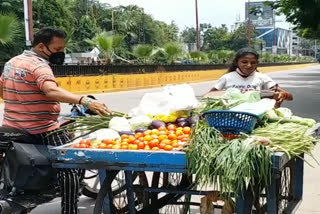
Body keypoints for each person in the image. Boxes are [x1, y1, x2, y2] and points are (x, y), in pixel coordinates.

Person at [0, 27, 112, 214]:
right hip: (42, 129)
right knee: (70, 166)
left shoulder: (12, 62)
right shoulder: (40, 66)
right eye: (58, 49)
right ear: (42, 46)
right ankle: (69, 210)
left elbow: (2, 88)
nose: (61, 53)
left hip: (11, 127)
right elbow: (50, 90)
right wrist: (85, 100)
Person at [206, 47, 293, 107]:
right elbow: (208, 96)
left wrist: (282, 95)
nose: (249, 65)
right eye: (244, 62)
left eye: (253, 62)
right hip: (231, 115)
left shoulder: (262, 77)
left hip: (256, 115)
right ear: (236, 62)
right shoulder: (227, 78)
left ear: (257, 63)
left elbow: (290, 97)